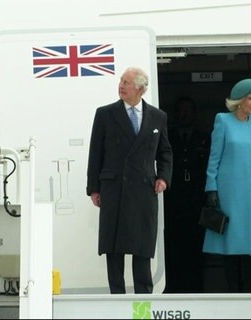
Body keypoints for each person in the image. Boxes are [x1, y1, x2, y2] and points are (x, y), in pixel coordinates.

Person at [86, 66, 173, 294]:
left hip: (144, 191)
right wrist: (93, 188)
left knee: (141, 248)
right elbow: (96, 153)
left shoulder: (157, 116)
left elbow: (165, 152)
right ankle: (117, 301)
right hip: (114, 189)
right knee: (114, 250)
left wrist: (163, 177)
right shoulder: (105, 114)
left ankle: (143, 306)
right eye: (121, 81)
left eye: (127, 82)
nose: (121, 86)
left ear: (141, 89)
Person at [203, 76, 251, 293]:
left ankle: (249, 292)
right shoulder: (223, 120)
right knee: (231, 245)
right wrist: (211, 187)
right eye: (250, 98)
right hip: (230, 191)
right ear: (239, 101)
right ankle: (235, 293)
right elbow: (214, 158)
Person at [163, 97, 210, 293]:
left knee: (196, 248)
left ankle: (196, 290)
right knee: (173, 249)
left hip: (196, 202)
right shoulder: (168, 138)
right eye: (181, 111)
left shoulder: (203, 138)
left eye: (188, 111)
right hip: (172, 203)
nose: (184, 115)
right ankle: (173, 290)